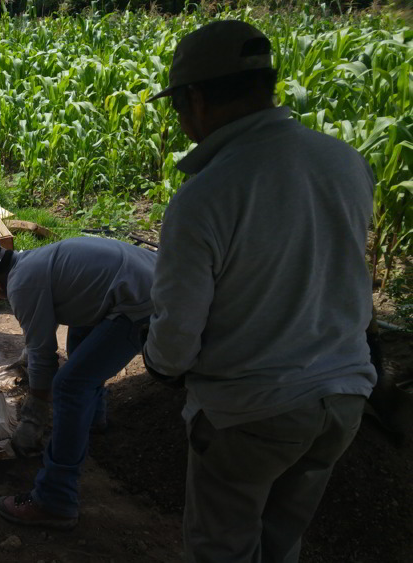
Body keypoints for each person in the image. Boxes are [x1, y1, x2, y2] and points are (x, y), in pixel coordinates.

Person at [143, 20, 376, 562]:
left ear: (195, 99)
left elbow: (177, 336)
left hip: (251, 411)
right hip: (343, 397)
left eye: (177, 105)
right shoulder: (343, 160)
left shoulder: (207, 196)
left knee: (222, 546)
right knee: (281, 541)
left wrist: (159, 364)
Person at [0, 238, 156, 528]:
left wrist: (33, 416)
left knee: (69, 386)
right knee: (79, 334)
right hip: (151, 279)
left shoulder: (20, 284)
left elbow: (44, 356)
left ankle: (56, 500)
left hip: (142, 305)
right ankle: (92, 418)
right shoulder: (34, 261)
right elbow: (42, 338)